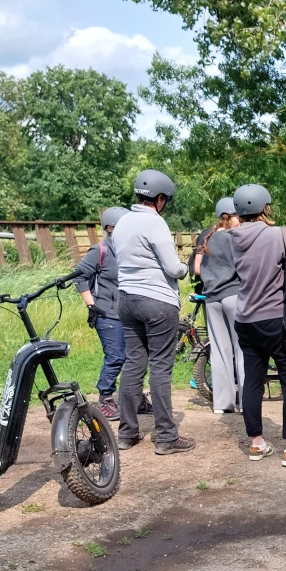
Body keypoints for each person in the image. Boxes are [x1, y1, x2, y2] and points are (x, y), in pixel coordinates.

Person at [229, 184, 286, 468]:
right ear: (265, 208)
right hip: (275, 319)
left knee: (253, 381)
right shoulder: (277, 234)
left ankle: (256, 444)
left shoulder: (230, 237)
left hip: (245, 319)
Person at [111, 169, 193, 455]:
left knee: (134, 364)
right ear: (159, 199)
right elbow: (173, 268)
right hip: (157, 302)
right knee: (160, 366)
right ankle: (167, 436)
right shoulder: (154, 223)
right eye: (165, 200)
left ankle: (127, 433)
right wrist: (185, 267)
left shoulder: (121, 222)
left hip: (126, 300)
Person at [74, 206, 153, 420]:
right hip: (107, 315)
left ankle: (135, 398)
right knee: (116, 357)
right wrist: (92, 305)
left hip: (130, 313)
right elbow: (79, 277)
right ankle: (105, 400)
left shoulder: (130, 248)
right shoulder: (100, 250)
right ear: (110, 228)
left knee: (137, 357)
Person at [193, 197, 243, 414]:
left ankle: (222, 404)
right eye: (237, 216)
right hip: (234, 295)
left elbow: (197, 269)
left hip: (211, 299)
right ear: (228, 217)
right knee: (242, 349)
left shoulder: (207, 237)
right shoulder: (234, 238)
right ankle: (245, 401)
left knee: (220, 351)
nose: (240, 220)